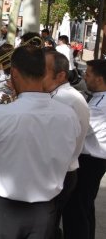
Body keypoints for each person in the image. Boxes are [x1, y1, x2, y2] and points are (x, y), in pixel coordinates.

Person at [0, 46, 80, 239]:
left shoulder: (0, 114)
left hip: (2, 211)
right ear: (44, 73)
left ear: (14, 73)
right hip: (45, 212)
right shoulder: (69, 115)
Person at [42, 50, 89, 238]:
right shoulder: (57, 95)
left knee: (47, 226)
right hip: (59, 172)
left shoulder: (65, 99)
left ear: (60, 75)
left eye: (41, 71)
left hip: (58, 173)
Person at [62, 59, 106, 239]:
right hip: (93, 159)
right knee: (85, 206)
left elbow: (78, 129)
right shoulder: (97, 97)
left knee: (75, 209)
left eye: (88, 74)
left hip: (91, 161)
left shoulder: (100, 105)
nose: (84, 77)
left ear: (100, 79)